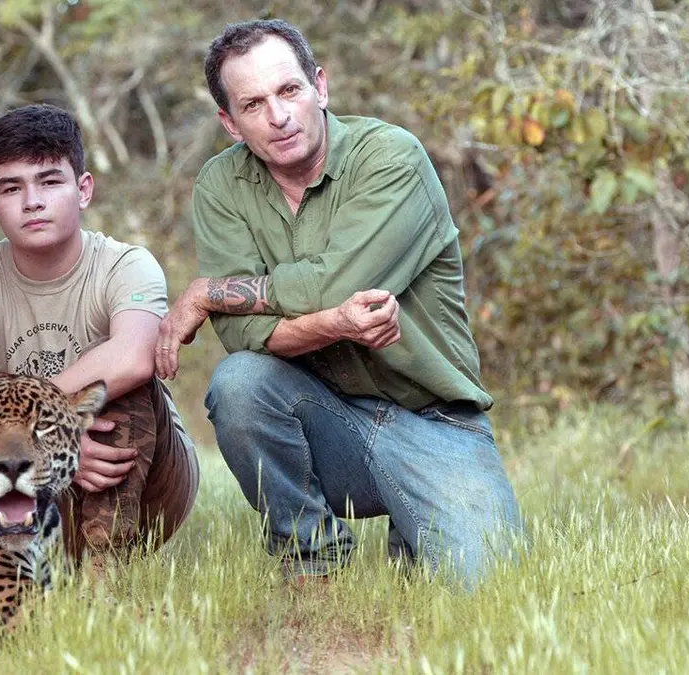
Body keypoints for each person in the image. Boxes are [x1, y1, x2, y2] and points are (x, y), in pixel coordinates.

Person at [156, 19, 522, 586]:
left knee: (492, 587)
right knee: (241, 382)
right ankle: (311, 559)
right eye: (253, 104)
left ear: (320, 87)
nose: (279, 116)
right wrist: (335, 323)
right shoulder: (221, 186)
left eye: (289, 90)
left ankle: (413, 526)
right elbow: (243, 335)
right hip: (322, 419)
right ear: (229, 123)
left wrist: (210, 291)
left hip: (434, 421)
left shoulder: (391, 157)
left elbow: (336, 285)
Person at [0, 104, 199, 561]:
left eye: (49, 182)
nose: (32, 201)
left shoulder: (126, 264)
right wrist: (34, 441)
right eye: (12, 188)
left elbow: (133, 357)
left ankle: (106, 569)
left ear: (83, 189)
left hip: (148, 485)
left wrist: (44, 431)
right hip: (22, 476)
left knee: (118, 388)